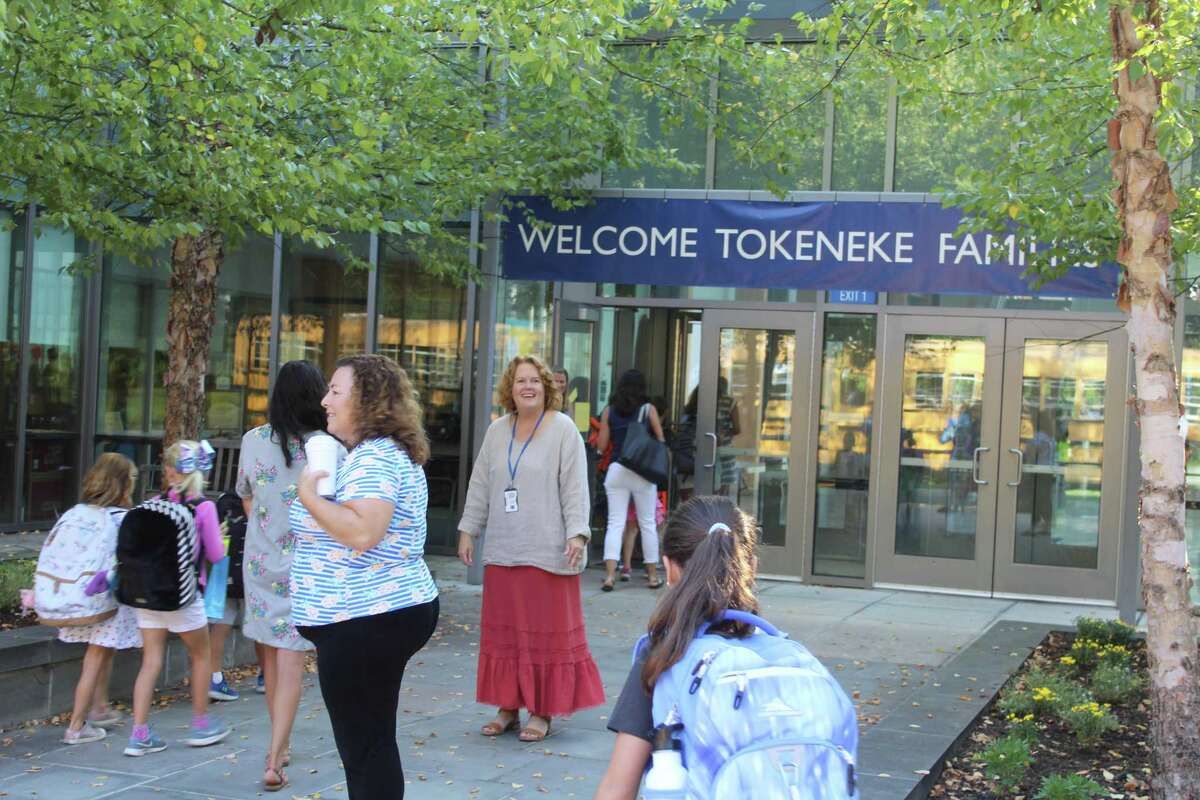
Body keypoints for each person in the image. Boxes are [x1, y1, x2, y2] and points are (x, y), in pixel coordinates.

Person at [292, 354, 439, 800]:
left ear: (367, 399)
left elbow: (362, 531)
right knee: (371, 742)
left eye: (335, 391)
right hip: (371, 616)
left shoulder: (375, 458)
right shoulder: (375, 454)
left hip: (367, 620)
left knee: (365, 748)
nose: (325, 401)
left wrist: (305, 494)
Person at [458, 354, 603, 743]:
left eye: (535, 381)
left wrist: (577, 534)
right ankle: (507, 707)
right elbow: (480, 485)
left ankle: (541, 711)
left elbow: (575, 487)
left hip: (547, 551)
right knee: (505, 635)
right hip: (505, 549)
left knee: (542, 633)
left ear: (547, 387)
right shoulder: (496, 432)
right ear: (510, 388)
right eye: (521, 380)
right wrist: (469, 529)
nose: (528, 387)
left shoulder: (563, 430)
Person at [595, 496, 760, 798]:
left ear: (669, 569)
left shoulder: (664, 655)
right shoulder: (786, 657)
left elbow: (617, 790)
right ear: (752, 567)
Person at [237, 360, 339, 792]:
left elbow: (246, 497)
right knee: (292, 657)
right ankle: (276, 756)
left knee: (273, 655)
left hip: (261, 561)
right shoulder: (328, 446)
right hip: (307, 564)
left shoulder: (252, 440)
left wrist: (268, 526)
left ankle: (280, 742)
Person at [125, 440, 230, 756]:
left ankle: (139, 733)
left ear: (169, 471)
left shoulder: (151, 504)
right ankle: (200, 724)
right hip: (184, 596)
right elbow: (215, 554)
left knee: (151, 661)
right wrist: (221, 536)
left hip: (149, 595)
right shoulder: (204, 508)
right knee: (200, 656)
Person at [45, 454, 143, 745]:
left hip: (78, 595)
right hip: (107, 599)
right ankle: (76, 726)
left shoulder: (76, 513)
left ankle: (99, 708)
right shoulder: (121, 518)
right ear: (123, 484)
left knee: (101, 652)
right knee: (96, 657)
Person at [596, 369, 665, 591]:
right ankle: (653, 576)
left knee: (615, 523)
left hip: (617, 469)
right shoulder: (648, 410)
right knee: (647, 524)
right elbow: (661, 440)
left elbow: (602, 446)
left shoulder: (609, 411)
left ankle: (609, 576)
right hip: (642, 472)